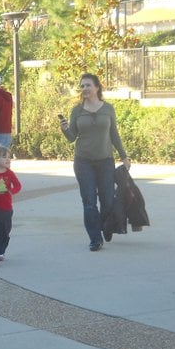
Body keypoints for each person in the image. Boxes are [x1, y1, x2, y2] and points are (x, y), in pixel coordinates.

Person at [60, 73, 131, 252]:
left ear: (97, 87)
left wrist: (124, 156)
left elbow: (114, 134)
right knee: (89, 201)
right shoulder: (77, 110)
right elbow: (71, 138)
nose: (84, 89)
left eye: (88, 85)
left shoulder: (108, 108)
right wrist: (64, 129)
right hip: (83, 162)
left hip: (105, 161)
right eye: (82, 86)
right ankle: (95, 238)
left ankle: (105, 226)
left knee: (107, 200)